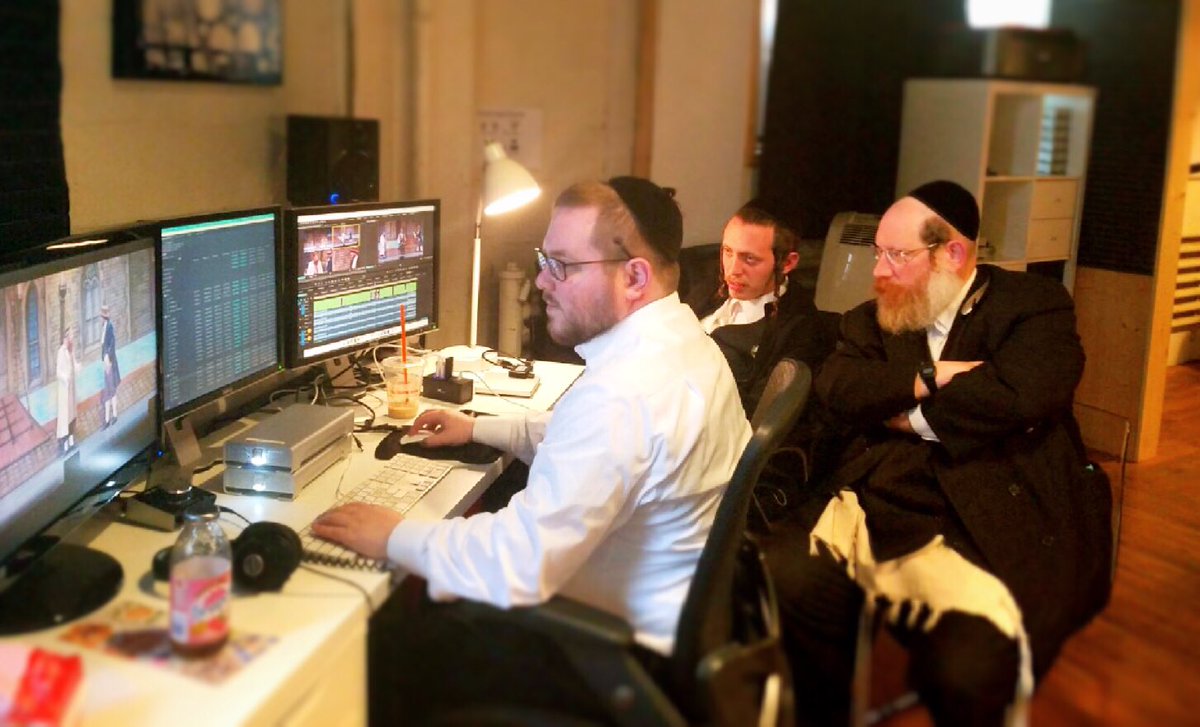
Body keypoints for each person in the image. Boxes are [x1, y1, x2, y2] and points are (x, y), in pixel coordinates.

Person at [313, 177, 750, 722]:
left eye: (561, 265)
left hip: (602, 661)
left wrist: (394, 535)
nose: (542, 280)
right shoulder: (686, 348)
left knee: (383, 641)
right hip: (667, 630)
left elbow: (518, 563)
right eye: (546, 260)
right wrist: (478, 428)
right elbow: (592, 445)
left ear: (634, 277)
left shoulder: (624, 394)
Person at [762, 180, 1112, 726]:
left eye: (897, 255)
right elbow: (840, 386)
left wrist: (907, 416)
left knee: (965, 670)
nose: (879, 271)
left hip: (990, 504)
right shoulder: (870, 318)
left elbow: (1024, 394)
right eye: (878, 252)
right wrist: (929, 376)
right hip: (882, 495)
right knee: (789, 575)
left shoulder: (1032, 305)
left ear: (952, 253)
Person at [695, 198, 836, 414]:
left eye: (750, 259)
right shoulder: (710, 285)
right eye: (728, 252)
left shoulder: (798, 330)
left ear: (787, 263)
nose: (732, 270)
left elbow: (755, 412)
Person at [56, 328, 80, 454]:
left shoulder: (71, 350)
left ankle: (71, 442)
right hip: (65, 389)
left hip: (71, 388)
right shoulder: (61, 352)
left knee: (72, 415)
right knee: (65, 416)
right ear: (65, 337)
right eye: (70, 336)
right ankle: (64, 446)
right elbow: (58, 372)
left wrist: (77, 367)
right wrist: (65, 377)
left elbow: (73, 363)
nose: (72, 338)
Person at [100, 304, 122, 428]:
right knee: (109, 389)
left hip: (110, 362)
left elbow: (112, 344)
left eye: (102, 316)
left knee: (111, 390)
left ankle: (113, 416)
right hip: (106, 362)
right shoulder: (104, 328)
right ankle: (108, 419)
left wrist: (108, 357)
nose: (101, 318)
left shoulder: (109, 327)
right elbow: (103, 346)